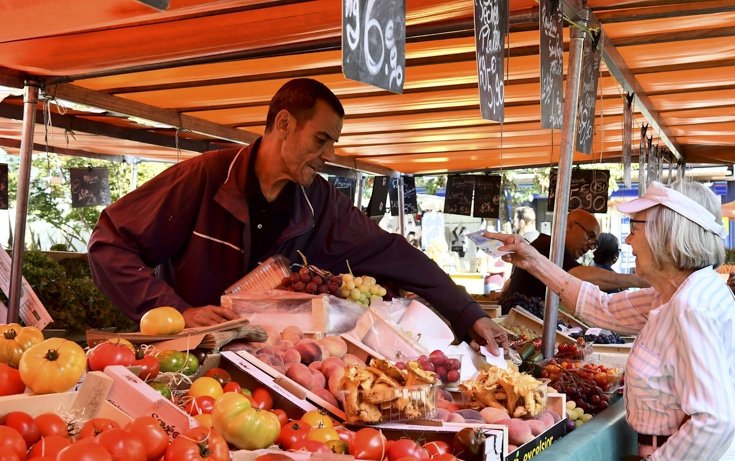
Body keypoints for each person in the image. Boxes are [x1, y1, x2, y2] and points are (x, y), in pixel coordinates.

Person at [87, 78, 507, 353]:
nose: (329, 156)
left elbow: (396, 254)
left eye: (334, 143)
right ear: (284, 124)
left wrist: (470, 314)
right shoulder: (204, 178)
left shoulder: (319, 203)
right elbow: (109, 244)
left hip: (279, 373)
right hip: (192, 361)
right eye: (322, 139)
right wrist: (176, 311)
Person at [487, 181, 735, 461]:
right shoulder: (674, 295)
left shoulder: (691, 306)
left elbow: (715, 419)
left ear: (668, 231)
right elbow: (601, 307)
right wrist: (533, 259)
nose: (628, 237)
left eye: (636, 225)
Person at [498, 209, 646, 315]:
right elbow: (576, 277)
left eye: (594, 243)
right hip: (523, 325)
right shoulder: (549, 247)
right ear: (570, 225)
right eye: (590, 236)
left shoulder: (555, 250)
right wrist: (638, 280)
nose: (591, 246)